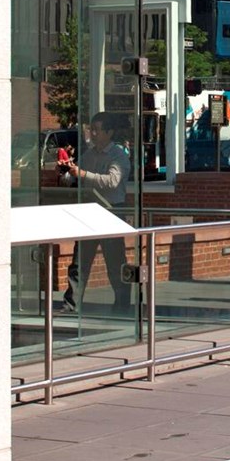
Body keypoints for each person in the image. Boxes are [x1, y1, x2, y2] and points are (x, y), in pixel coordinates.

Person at [62, 112, 132, 313]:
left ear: (109, 132)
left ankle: (122, 304)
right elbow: (77, 180)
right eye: (91, 129)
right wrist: (68, 172)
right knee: (79, 263)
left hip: (111, 211)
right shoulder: (88, 154)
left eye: (97, 130)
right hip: (89, 213)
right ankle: (71, 304)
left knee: (114, 262)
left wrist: (83, 174)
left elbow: (112, 181)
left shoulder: (118, 156)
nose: (93, 133)